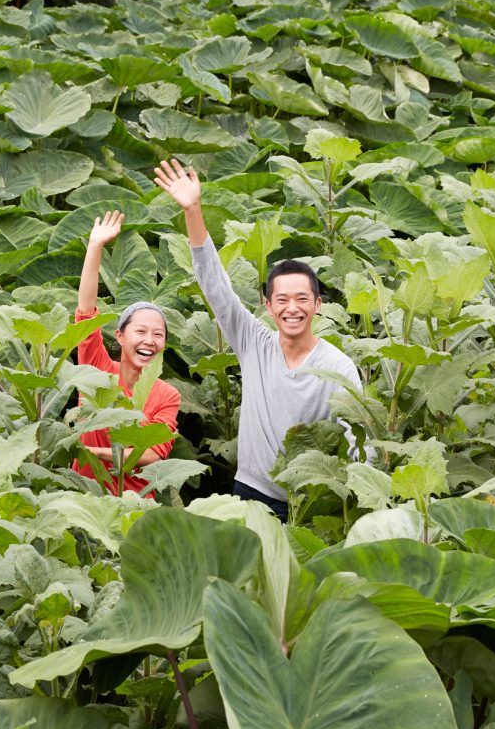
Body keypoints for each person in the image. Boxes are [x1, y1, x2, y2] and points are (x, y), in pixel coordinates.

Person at [153, 158, 362, 520]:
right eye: (282, 299)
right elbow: (216, 287)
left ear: (318, 305)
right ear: (268, 305)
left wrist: (355, 500)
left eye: (302, 299)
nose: (291, 308)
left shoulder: (336, 367)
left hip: (310, 502)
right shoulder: (255, 343)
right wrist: (193, 211)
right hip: (249, 490)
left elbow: (358, 438)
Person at [73, 210, 181, 495]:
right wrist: (95, 247)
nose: (149, 340)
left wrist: (92, 453)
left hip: (135, 505)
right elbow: (85, 314)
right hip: (86, 498)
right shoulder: (97, 371)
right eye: (141, 332)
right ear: (120, 336)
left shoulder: (167, 394)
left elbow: (154, 454)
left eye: (158, 334)